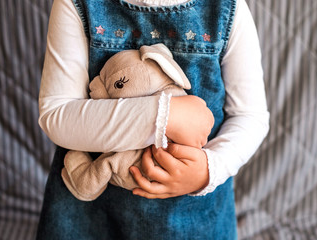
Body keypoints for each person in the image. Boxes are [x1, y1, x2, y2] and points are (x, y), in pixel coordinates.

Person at [37, 0, 270, 239]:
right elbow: (57, 115)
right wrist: (165, 116)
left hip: (195, 222)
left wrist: (210, 169)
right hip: (88, 220)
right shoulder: (77, 4)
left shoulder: (227, 8)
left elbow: (250, 116)